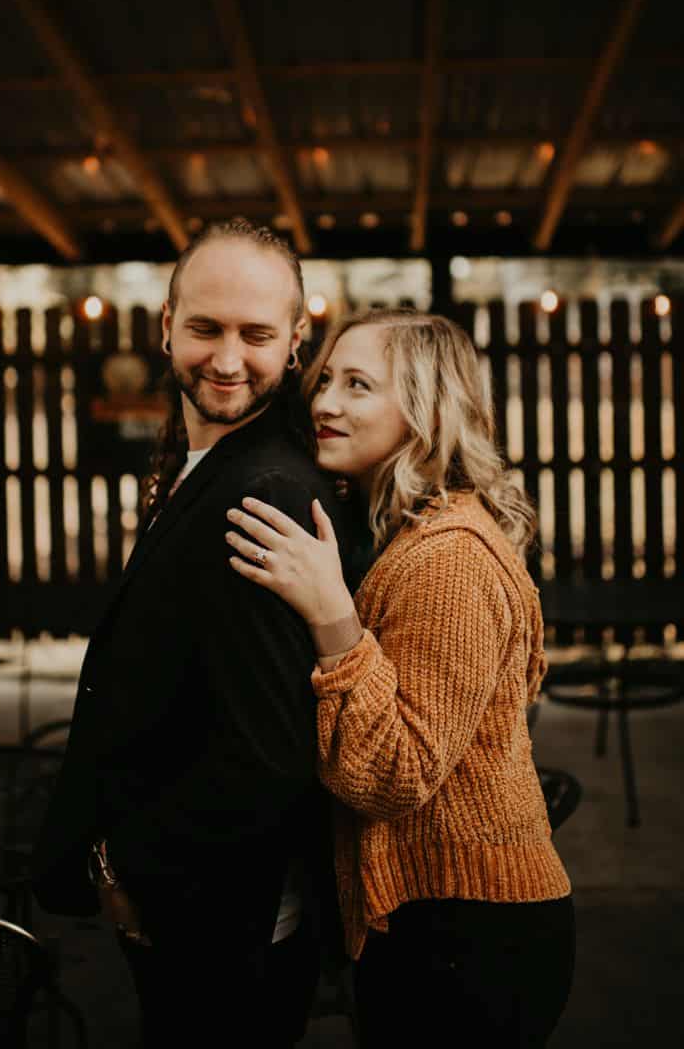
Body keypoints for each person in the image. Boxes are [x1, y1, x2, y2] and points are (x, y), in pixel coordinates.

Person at [32, 219, 357, 1046]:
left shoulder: (267, 494)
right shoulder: (206, 456)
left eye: (256, 335)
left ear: (293, 345)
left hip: (217, 914)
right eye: (206, 328)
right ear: (166, 324)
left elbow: (269, 753)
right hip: (197, 902)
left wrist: (123, 861)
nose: (225, 359)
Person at [226, 309, 574, 1047]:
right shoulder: (408, 531)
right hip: (437, 920)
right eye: (326, 381)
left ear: (425, 408)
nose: (324, 403)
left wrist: (331, 618)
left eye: (359, 385)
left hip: (468, 937)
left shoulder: (445, 559)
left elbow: (393, 772)